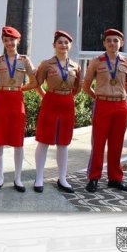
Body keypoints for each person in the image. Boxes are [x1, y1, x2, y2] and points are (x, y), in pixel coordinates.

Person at [0, 26, 41, 192]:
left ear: (18, 40)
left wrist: (20, 89)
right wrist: (1, 88)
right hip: (1, 100)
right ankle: (0, 177)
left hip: (17, 100)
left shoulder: (24, 60)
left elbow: (34, 81)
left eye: (12, 40)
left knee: (18, 141)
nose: (9, 43)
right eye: (6, 40)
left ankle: (18, 178)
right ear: (3, 42)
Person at [83, 28, 127, 193]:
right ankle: (94, 178)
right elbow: (86, 86)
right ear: (104, 43)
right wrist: (99, 97)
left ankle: (115, 178)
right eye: (109, 40)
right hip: (102, 104)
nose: (112, 43)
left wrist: (118, 95)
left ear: (122, 43)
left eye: (116, 40)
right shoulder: (96, 61)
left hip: (120, 106)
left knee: (117, 143)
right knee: (98, 143)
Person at [33, 30, 82, 194]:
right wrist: (45, 96)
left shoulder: (76, 66)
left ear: (70, 45)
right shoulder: (46, 64)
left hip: (67, 103)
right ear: (54, 45)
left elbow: (77, 88)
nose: (63, 45)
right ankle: (39, 178)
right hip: (50, 102)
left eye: (66, 42)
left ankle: (62, 178)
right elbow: (37, 83)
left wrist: (66, 97)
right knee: (44, 140)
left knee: (64, 142)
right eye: (60, 42)